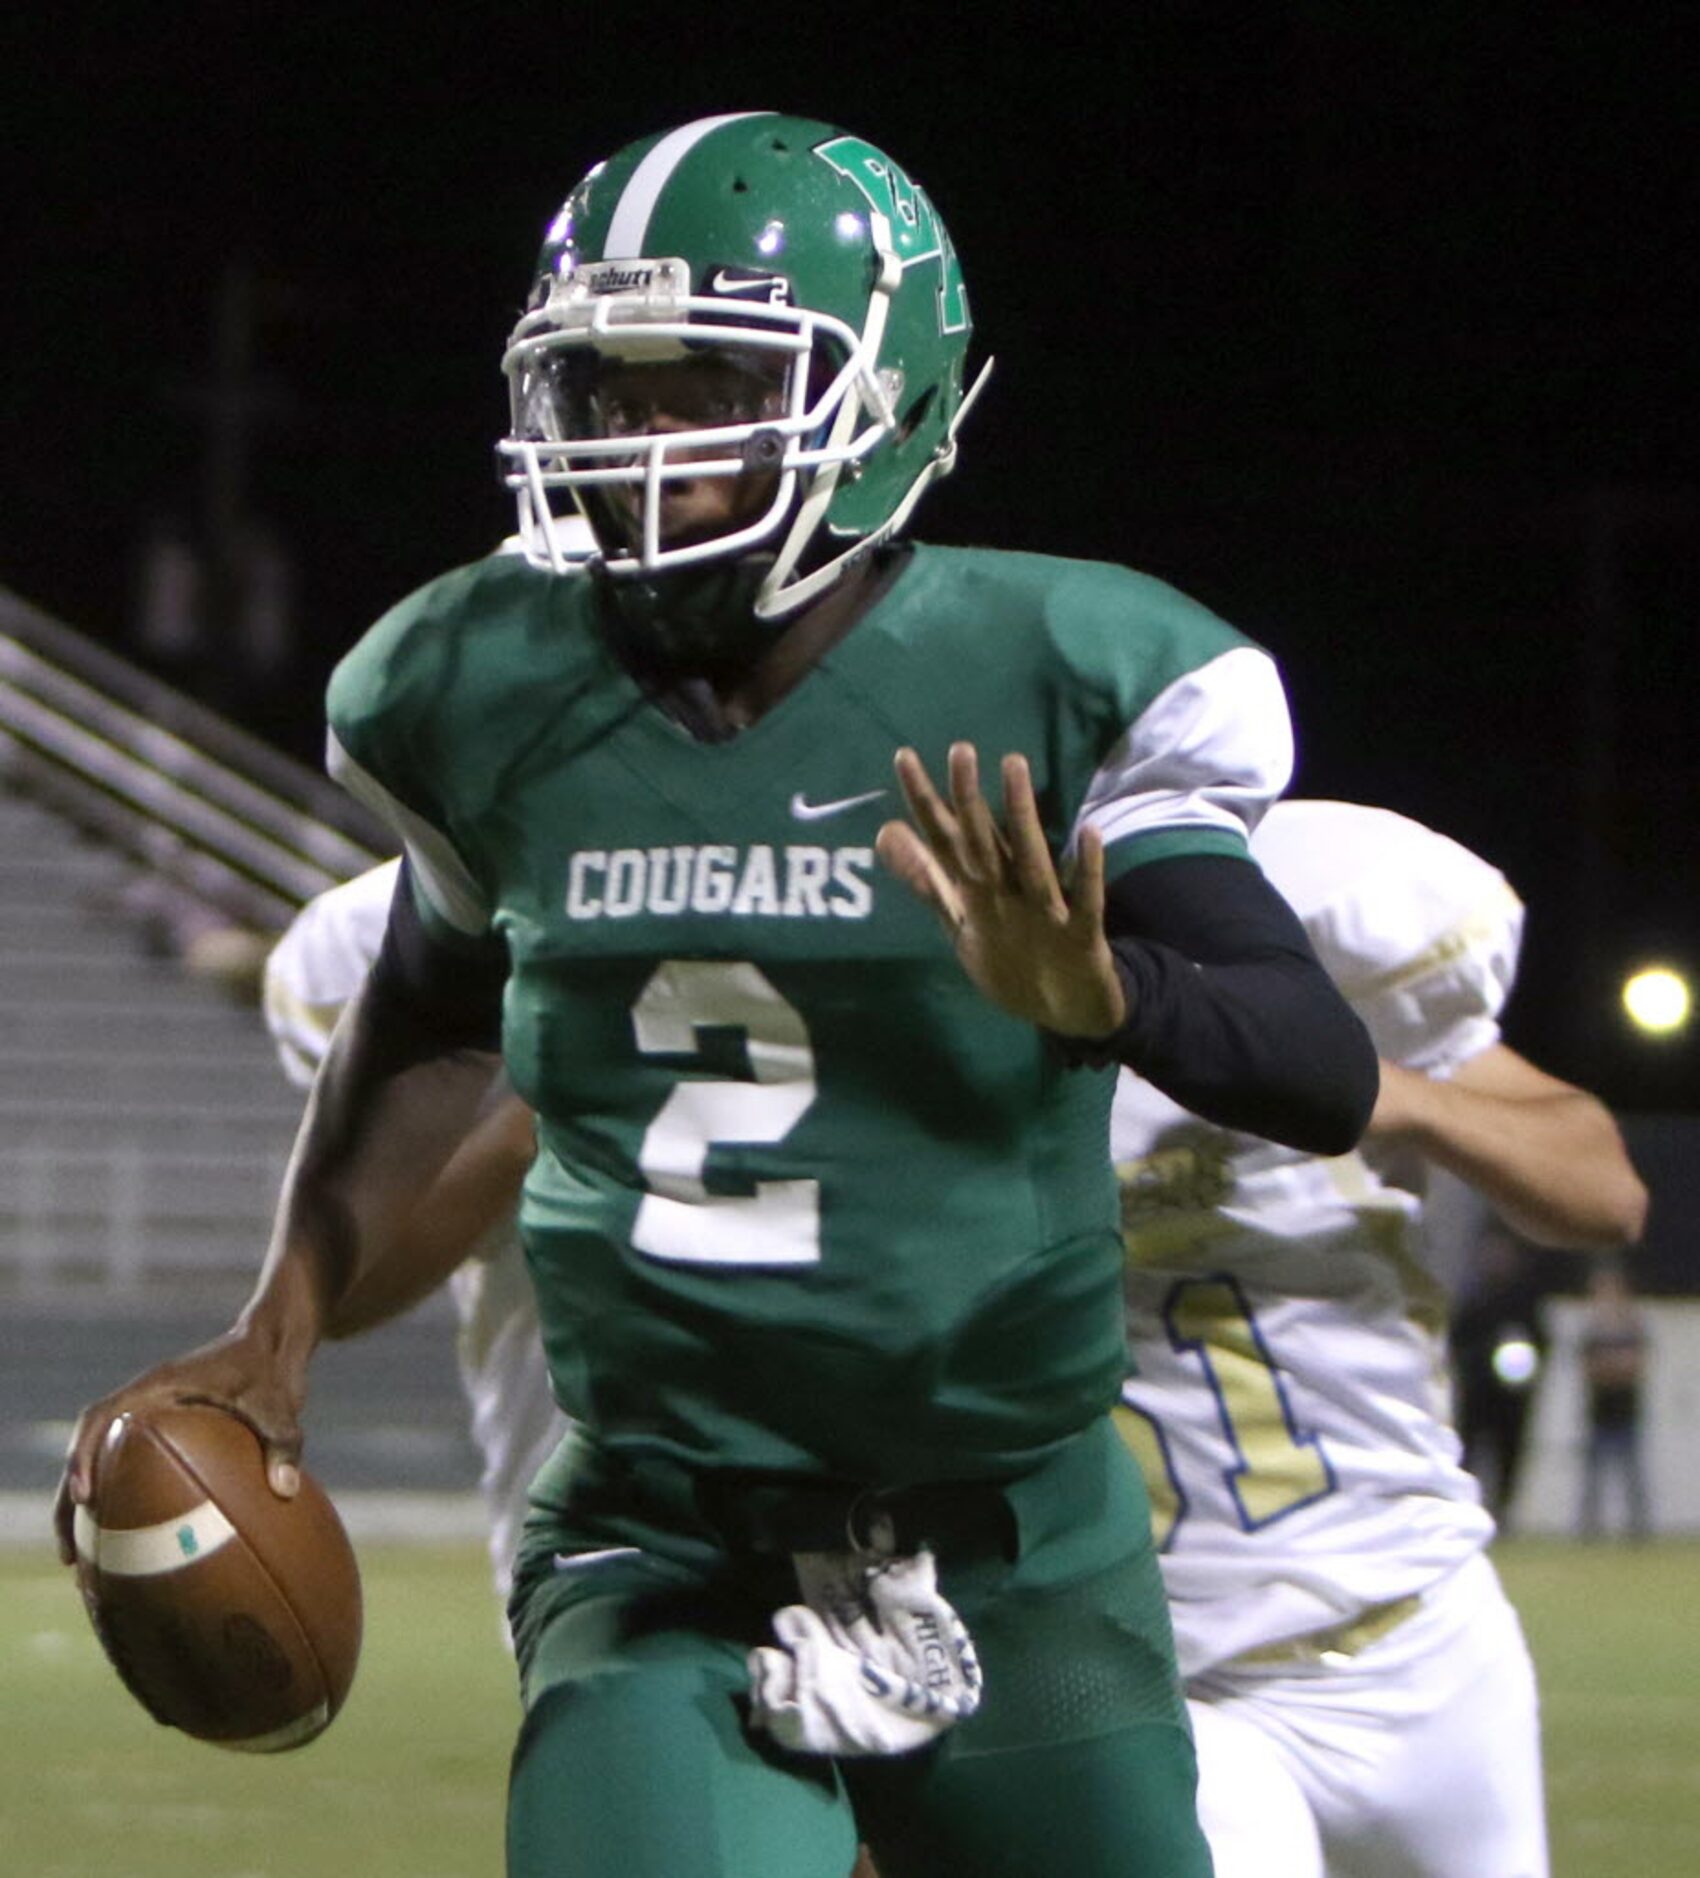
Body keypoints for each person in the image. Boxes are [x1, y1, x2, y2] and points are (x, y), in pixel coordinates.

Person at [57, 113, 1379, 1878]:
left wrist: (1103, 984)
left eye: (709, 388)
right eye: (609, 392)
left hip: (1014, 1533)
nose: (644, 442)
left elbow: (1318, 1066)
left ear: (885, 394)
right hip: (663, 1530)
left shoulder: (1062, 672)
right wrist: (278, 1326)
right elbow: (433, 1012)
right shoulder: (474, 681)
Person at [1114, 799, 1648, 1878]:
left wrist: (1391, 1097)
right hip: (1184, 1681)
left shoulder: (1316, 925)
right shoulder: (951, 999)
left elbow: (1604, 1193)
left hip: (1422, 1636)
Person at [263, 857, 568, 1604]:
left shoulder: (818, 873)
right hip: (584, 1486)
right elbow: (356, 1281)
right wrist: (543, 1109)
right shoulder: (354, 943)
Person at [1576, 1257, 1651, 1540]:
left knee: (1634, 1478)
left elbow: (1637, 1366)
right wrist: (1614, 1366)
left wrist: (1611, 1366)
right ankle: (1589, 1530)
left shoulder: (1633, 1326)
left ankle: (1639, 1531)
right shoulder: (1592, 1329)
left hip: (1627, 1413)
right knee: (1593, 1481)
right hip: (1598, 1414)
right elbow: (1589, 1369)